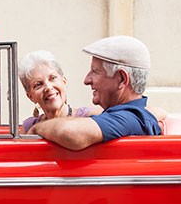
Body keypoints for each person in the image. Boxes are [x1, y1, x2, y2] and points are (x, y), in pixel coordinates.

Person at [29, 35, 162, 150]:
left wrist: (36, 128)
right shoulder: (132, 115)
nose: (87, 80)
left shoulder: (130, 117)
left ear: (122, 79)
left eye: (95, 71)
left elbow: (70, 133)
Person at [18, 51, 101, 132]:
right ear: (30, 96)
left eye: (53, 78)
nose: (48, 87)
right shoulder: (28, 127)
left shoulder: (91, 116)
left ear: (64, 81)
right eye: (38, 84)